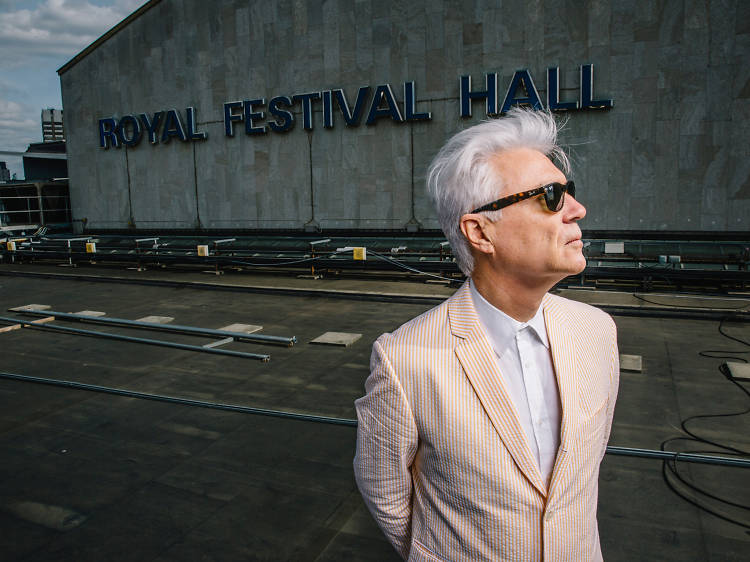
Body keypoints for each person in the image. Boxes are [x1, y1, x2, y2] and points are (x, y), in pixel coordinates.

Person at [353, 108, 619, 561]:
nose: (577, 209)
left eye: (569, 192)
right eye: (552, 195)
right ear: (481, 231)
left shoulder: (595, 331)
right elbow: (384, 492)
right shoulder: (407, 359)